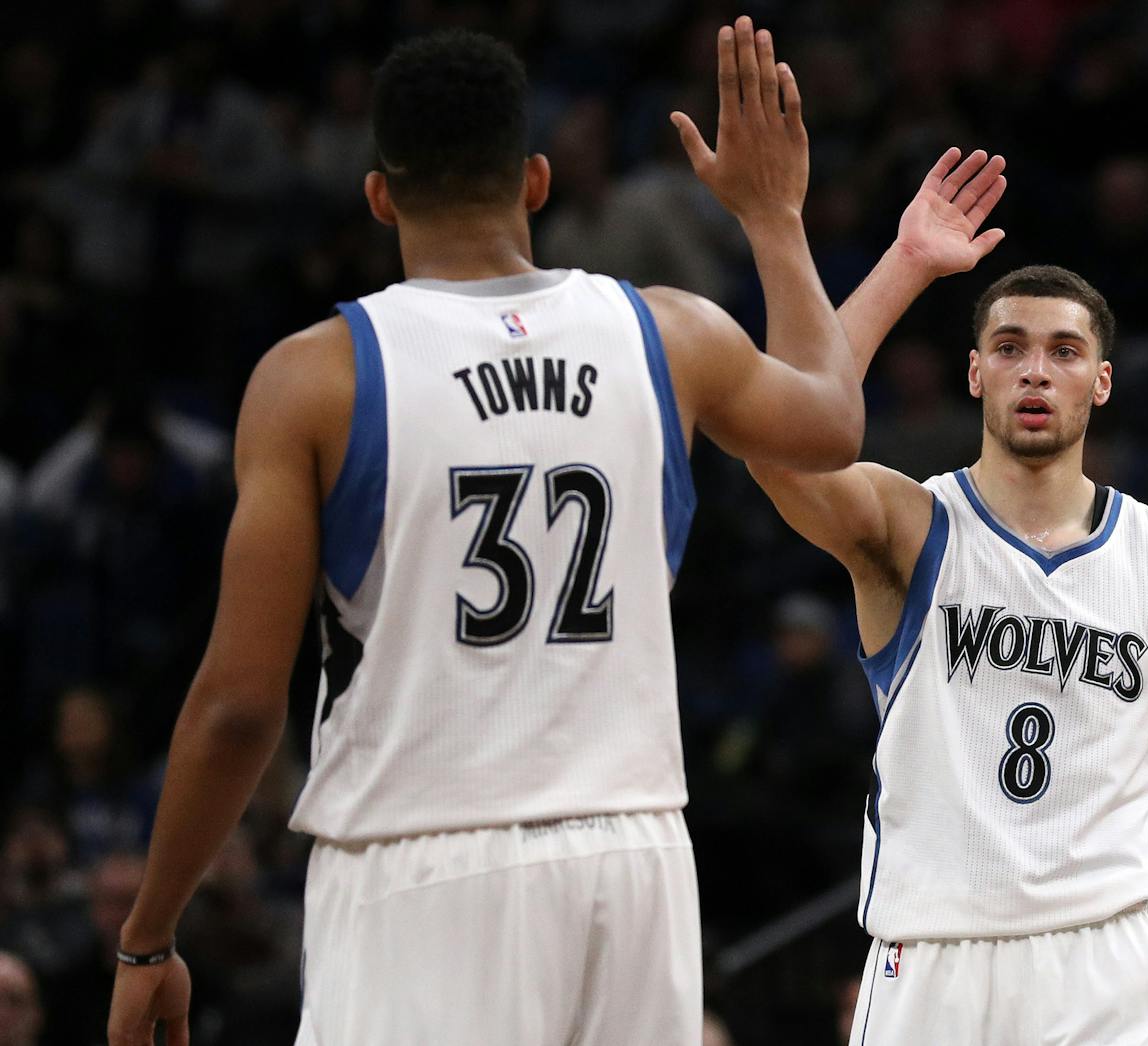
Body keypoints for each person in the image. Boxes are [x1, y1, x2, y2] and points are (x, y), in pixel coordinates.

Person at [108, 19, 865, 1046]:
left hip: (422, 861)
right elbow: (831, 419)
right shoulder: (668, 330)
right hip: (634, 854)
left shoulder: (315, 375)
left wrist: (148, 935)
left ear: (378, 195)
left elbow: (241, 704)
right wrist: (773, 217)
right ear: (537, 180)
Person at [749, 154, 1148, 1044]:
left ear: (1100, 384)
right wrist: (906, 266)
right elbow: (779, 441)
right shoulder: (911, 525)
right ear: (974, 375)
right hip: (933, 959)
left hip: (1116, 964)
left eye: (1065, 352)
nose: (1037, 371)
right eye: (1010, 348)